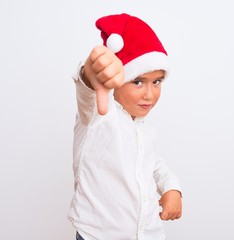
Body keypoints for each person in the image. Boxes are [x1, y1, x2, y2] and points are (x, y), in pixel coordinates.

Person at [68, 13, 182, 240]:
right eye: (137, 81)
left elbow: (154, 164)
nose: (149, 94)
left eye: (156, 82)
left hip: (148, 234)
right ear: (115, 80)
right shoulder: (98, 116)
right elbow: (88, 90)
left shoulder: (145, 129)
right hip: (99, 235)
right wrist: (93, 75)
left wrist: (171, 188)